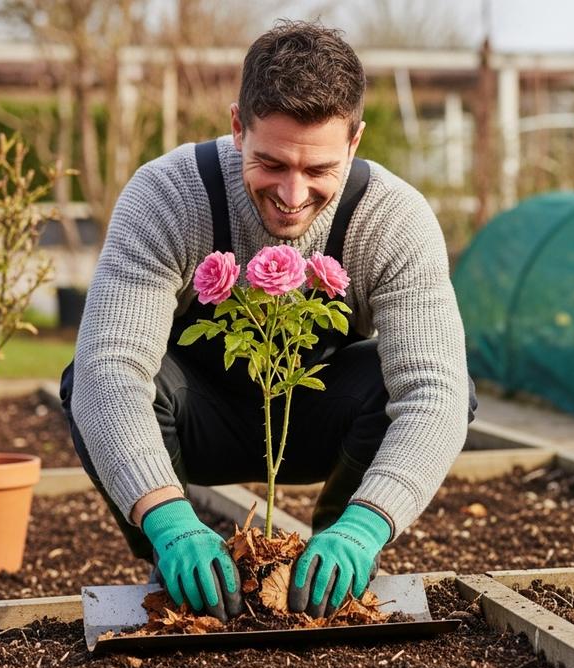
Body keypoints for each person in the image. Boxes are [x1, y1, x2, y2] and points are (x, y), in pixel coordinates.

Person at [60, 19, 475, 621]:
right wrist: (168, 520)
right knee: (87, 380)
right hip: (194, 421)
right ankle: (181, 572)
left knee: (446, 385)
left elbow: (433, 392)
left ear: (355, 141)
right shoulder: (168, 195)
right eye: (272, 163)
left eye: (318, 171)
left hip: (313, 427)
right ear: (237, 128)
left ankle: (333, 569)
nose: (292, 193)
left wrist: (368, 523)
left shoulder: (393, 220)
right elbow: (110, 372)